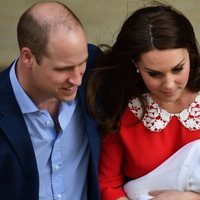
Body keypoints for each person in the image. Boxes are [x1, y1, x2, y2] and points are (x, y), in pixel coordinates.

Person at [86, 3, 200, 200]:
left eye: (178, 69)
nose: (169, 84)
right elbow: (107, 184)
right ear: (135, 64)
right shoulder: (122, 107)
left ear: (189, 53)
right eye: (154, 74)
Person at [0, 1, 100, 200]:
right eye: (63, 69)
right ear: (27, 57)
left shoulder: (95, 71)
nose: (77, 79)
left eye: (81, 63)